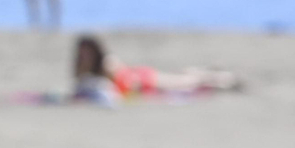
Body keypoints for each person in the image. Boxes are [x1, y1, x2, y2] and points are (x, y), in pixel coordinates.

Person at [72, 35, 240, 105]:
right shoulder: (85, 71)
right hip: (140, 85)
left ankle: (224, 79)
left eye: (87, 53)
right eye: (82, 54)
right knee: (182, 81)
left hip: (144, 80)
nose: (85, 58)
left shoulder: (106, 63)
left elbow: (123, 78)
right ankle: (200, 72)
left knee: (186, 84)